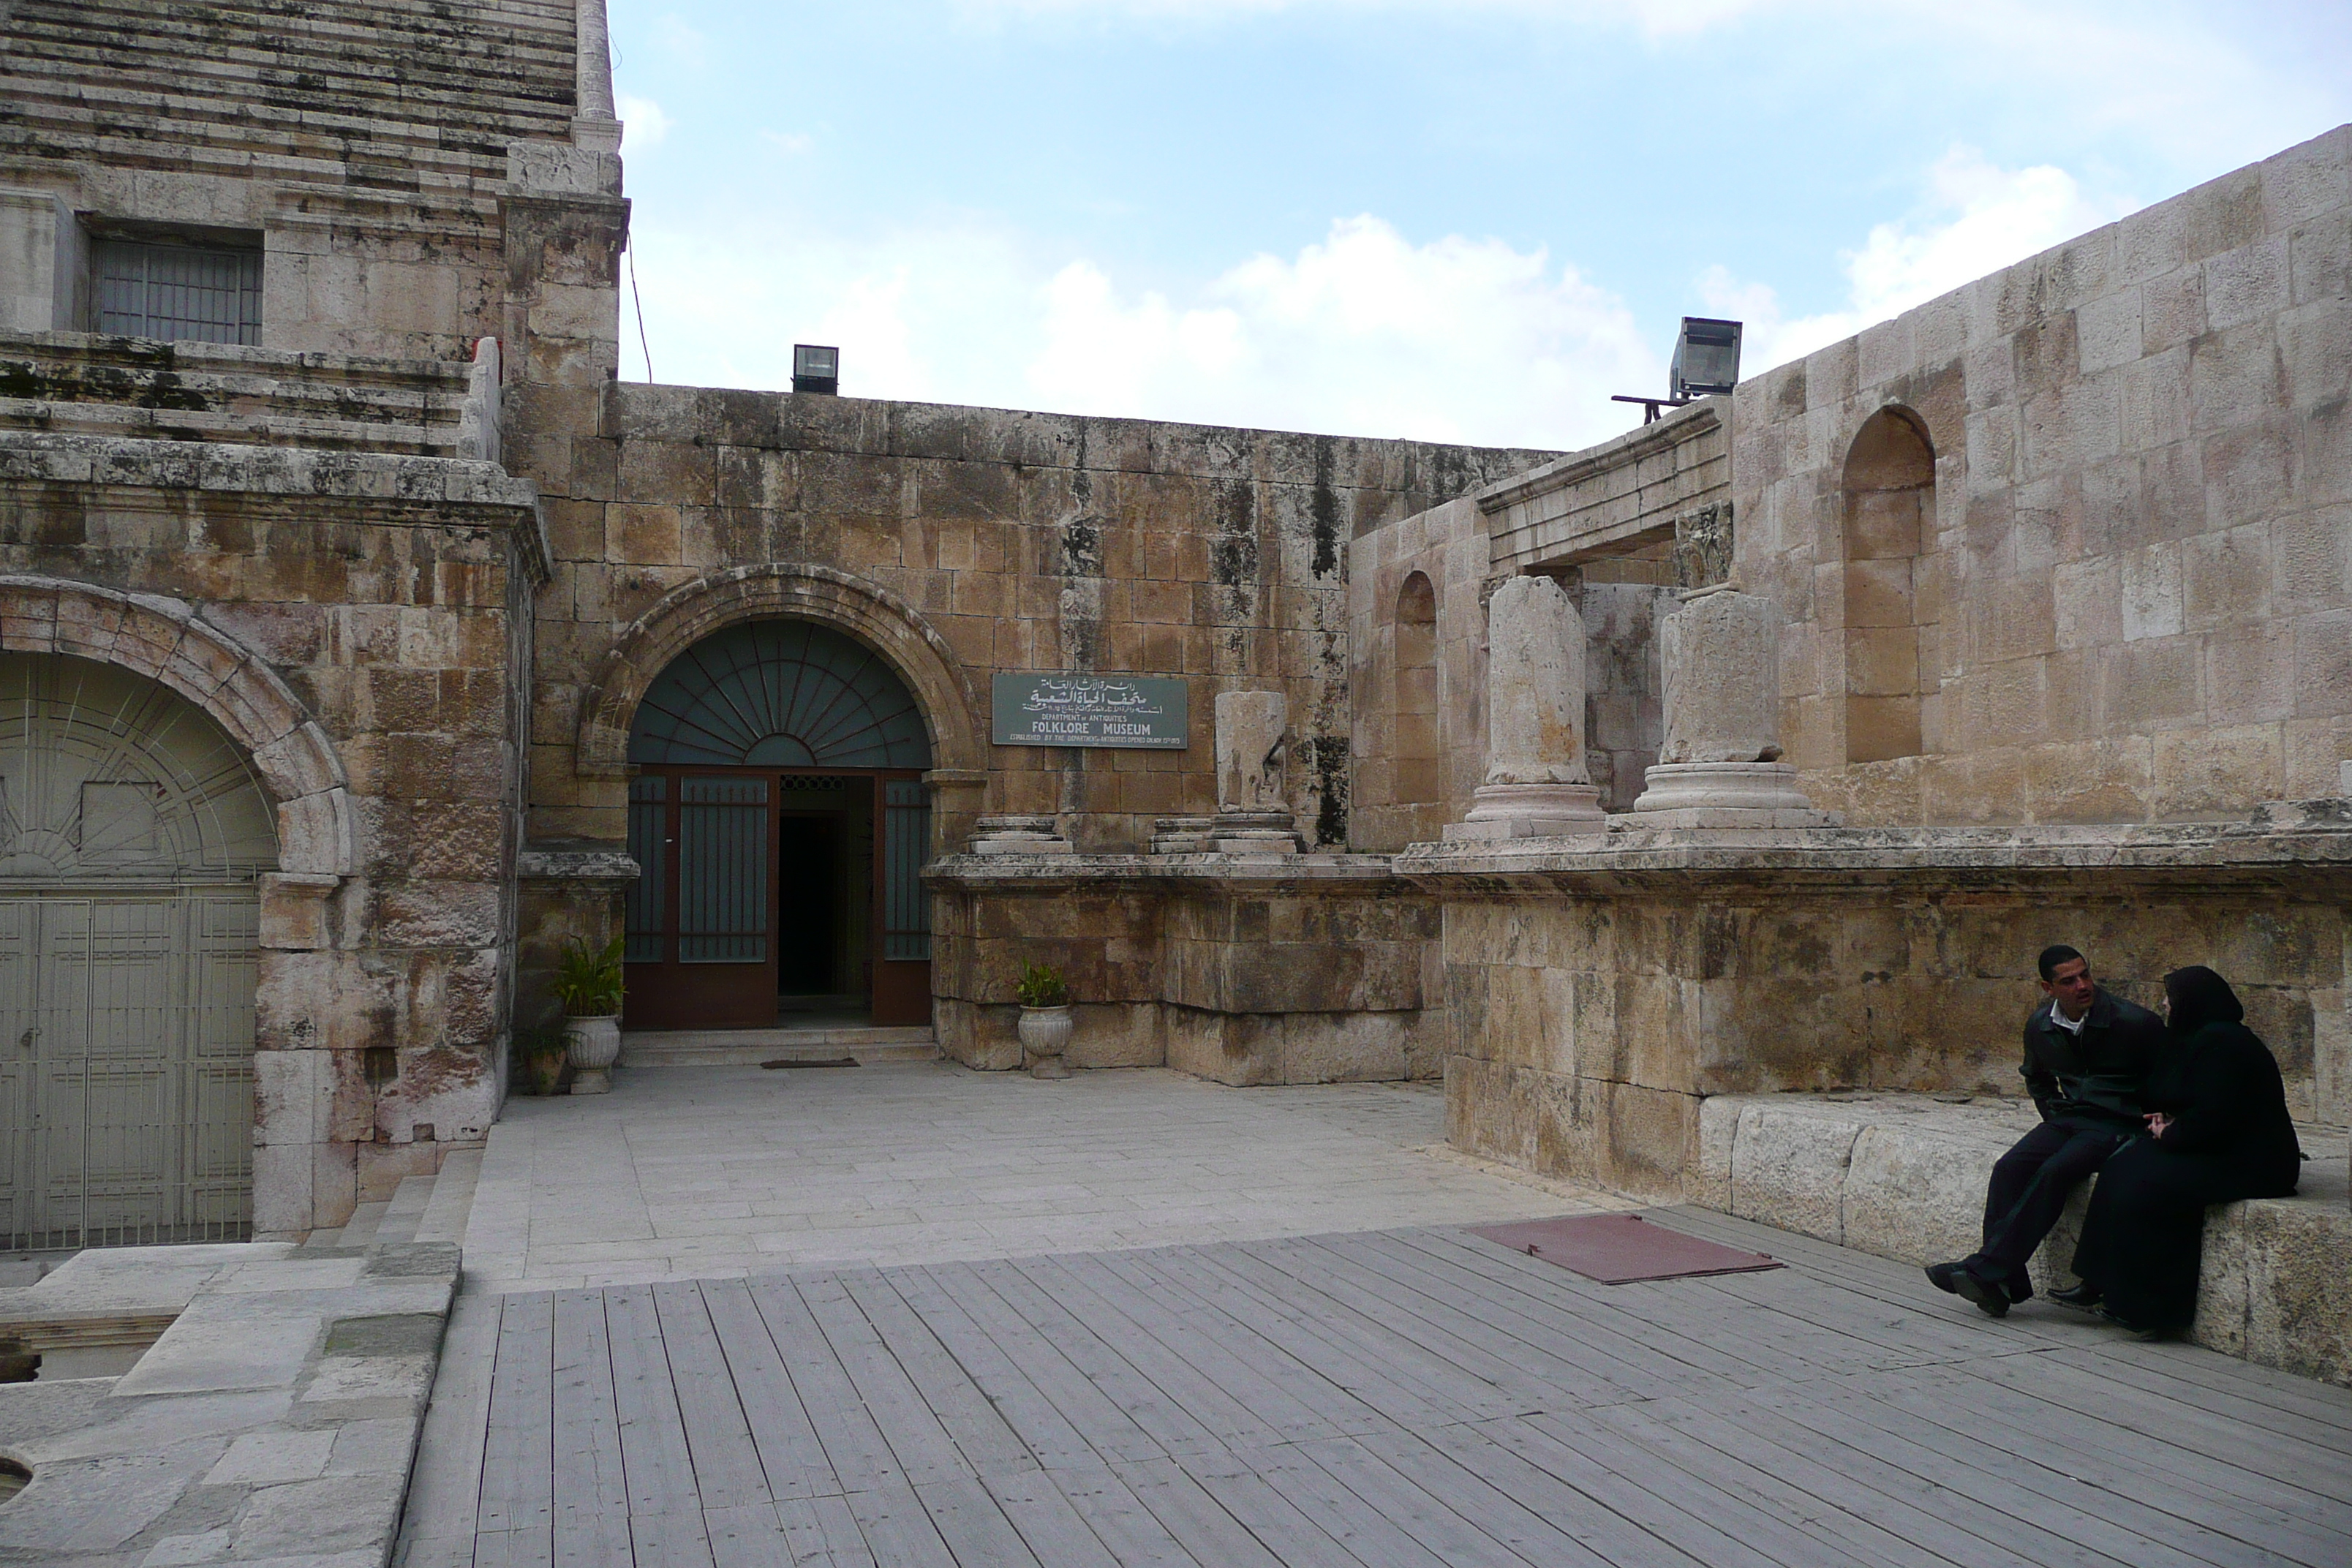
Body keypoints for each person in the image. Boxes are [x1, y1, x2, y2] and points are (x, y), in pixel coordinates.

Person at [2051, 965, 2304, 1337]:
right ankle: (2098, 1279)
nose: (2166, 1003)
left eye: (2173, 996)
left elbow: (2218, 1115)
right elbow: (2184, 1097)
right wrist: (2167, 1120)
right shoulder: (2199, 1037)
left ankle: (2154, 1310)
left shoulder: (2227, 1043)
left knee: (2155, 1186)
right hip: (2218, 1147)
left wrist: (2171, 1134)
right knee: (2123, 1165)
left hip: (2256, 1162)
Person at [1926, 945, 2164, 1317]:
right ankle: (2006, 1283)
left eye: (2085, 974)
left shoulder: (2134, 1022)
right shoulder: (2040, 1025)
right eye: (2068, 981)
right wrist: (2052, 1115)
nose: (2082, 985)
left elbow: (2168, 1078)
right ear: (2048, 988)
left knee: (2056, 1170)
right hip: (2067, 1118)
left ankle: (1984, 1270)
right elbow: (2036, 1078)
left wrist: (2149, 1121)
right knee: (2009, 1167)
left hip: (2117, 1122)